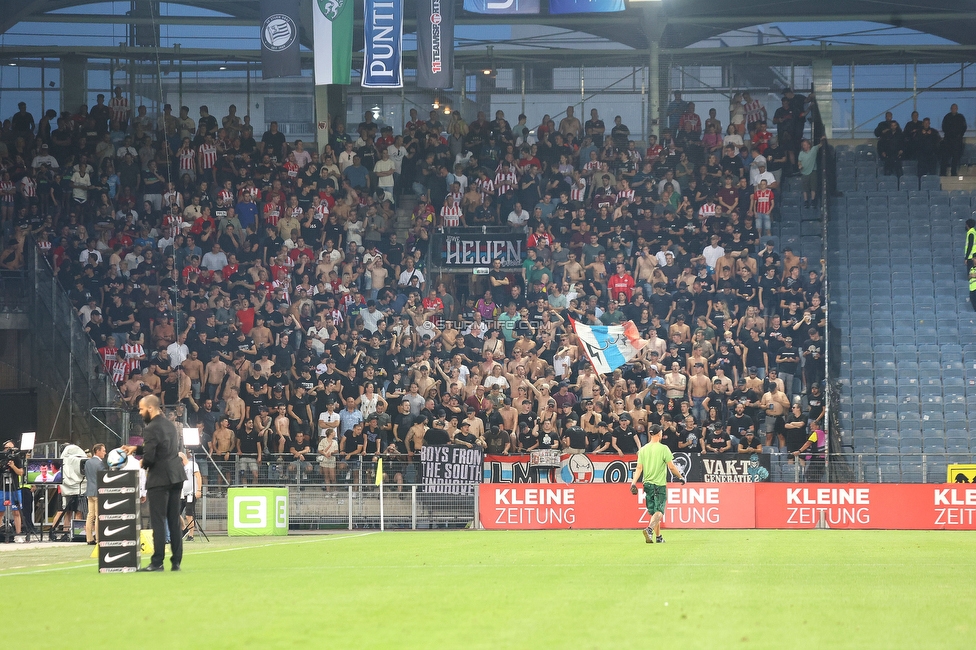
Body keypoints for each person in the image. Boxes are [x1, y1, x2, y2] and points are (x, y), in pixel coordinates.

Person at [122, 395, 186, 571]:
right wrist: (137, 448)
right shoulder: (170, 426)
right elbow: (162, 447)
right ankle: (176, 561)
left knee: (158, 520)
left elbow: (150, 457)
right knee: (174, 520)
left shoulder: (150, 428)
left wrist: (142, 463)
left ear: (150, 408)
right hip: (176, 475)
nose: (140, 412)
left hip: (160, 478)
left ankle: (157, 562)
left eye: (142, 409)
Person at [629, 425, 686, 544]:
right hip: (659, 484)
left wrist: (633, 483)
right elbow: (671, 466)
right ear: (659, 433)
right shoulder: (664, 448)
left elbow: (639, 468)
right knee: (659, 511)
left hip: (647, 485)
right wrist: (680, 477)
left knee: (654, 513)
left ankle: (658, 537)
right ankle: (649, 530)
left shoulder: (643, 449)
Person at [84, 444, 107, 544]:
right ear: (97, 451)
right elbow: (104, 478)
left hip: (90, 491)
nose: (105, 453)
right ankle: (98, 538)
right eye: (103, 451)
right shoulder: (100, 464)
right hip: (98, 492)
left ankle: (89, 538)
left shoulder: (87, 462)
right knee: (98, 516)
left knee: (90, 515)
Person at [1, 439, 24, 540]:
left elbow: (20, 472)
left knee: (16, 512)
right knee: (0, 512)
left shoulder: (17, 458)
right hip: (1, 488)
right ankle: (1, 533)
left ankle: (18, 534)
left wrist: (13, 466)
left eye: (11, 448)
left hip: (14, 488)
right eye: (7, 448)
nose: (9, 451)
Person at [179, 452, 202, 541]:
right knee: (175, 512)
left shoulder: (192, 464)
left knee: (189, 514)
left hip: (191, 493)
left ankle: (191, 535)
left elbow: (198, 476)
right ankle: (184, 528)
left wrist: (199, 490)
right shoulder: (180, 468)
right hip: (182, 493)